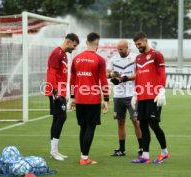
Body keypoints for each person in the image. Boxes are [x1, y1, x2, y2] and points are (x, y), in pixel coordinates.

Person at [69, 32, 109, 165]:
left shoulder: (76, 58)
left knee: (83, 127)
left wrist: (72, 97)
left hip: (79, 98)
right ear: (97, 44)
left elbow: (72, 80)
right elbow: (103, 81)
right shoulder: (100, 60)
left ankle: (83, 155)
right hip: (93, 99)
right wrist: (106, 99)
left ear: (86, 42)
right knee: (90, 127)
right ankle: (85, 158)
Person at [131, 31, 169, 164]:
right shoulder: (138, 58)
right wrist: (136, 93)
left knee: (154, 124)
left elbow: (162, 73)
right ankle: (145, 156)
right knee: (143, 126)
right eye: (136, 45)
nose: (138, 46)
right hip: (142, 97)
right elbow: (138, 76)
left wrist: (162, 91)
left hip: (154, 96)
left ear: (145, 40)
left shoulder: (156, 55)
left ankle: (164, 152)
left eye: (139, 43)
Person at [45, 33, 79, 161]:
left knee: (58, 118)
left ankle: (54, 151)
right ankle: (54, 151)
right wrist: (55, 91)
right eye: (74, 45)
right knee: (61, 117)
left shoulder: (63, 55)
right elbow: (51, 72)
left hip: (61, 91)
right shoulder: (57, 53)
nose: (74, 48)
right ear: (69, 41)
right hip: (56, 92)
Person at [107, 39, 143, 157]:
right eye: (118, 49)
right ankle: (122, 149)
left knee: (135, 121)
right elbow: (107, 72)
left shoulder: (135, 58)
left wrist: (124, 78)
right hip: (118, 95)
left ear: (128, 48)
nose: (119, 51)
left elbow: (139, 74)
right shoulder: (114, 59)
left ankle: (142, 147)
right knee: (120, 122)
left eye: (121, 49)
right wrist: (112, 76)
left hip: (132, 94)